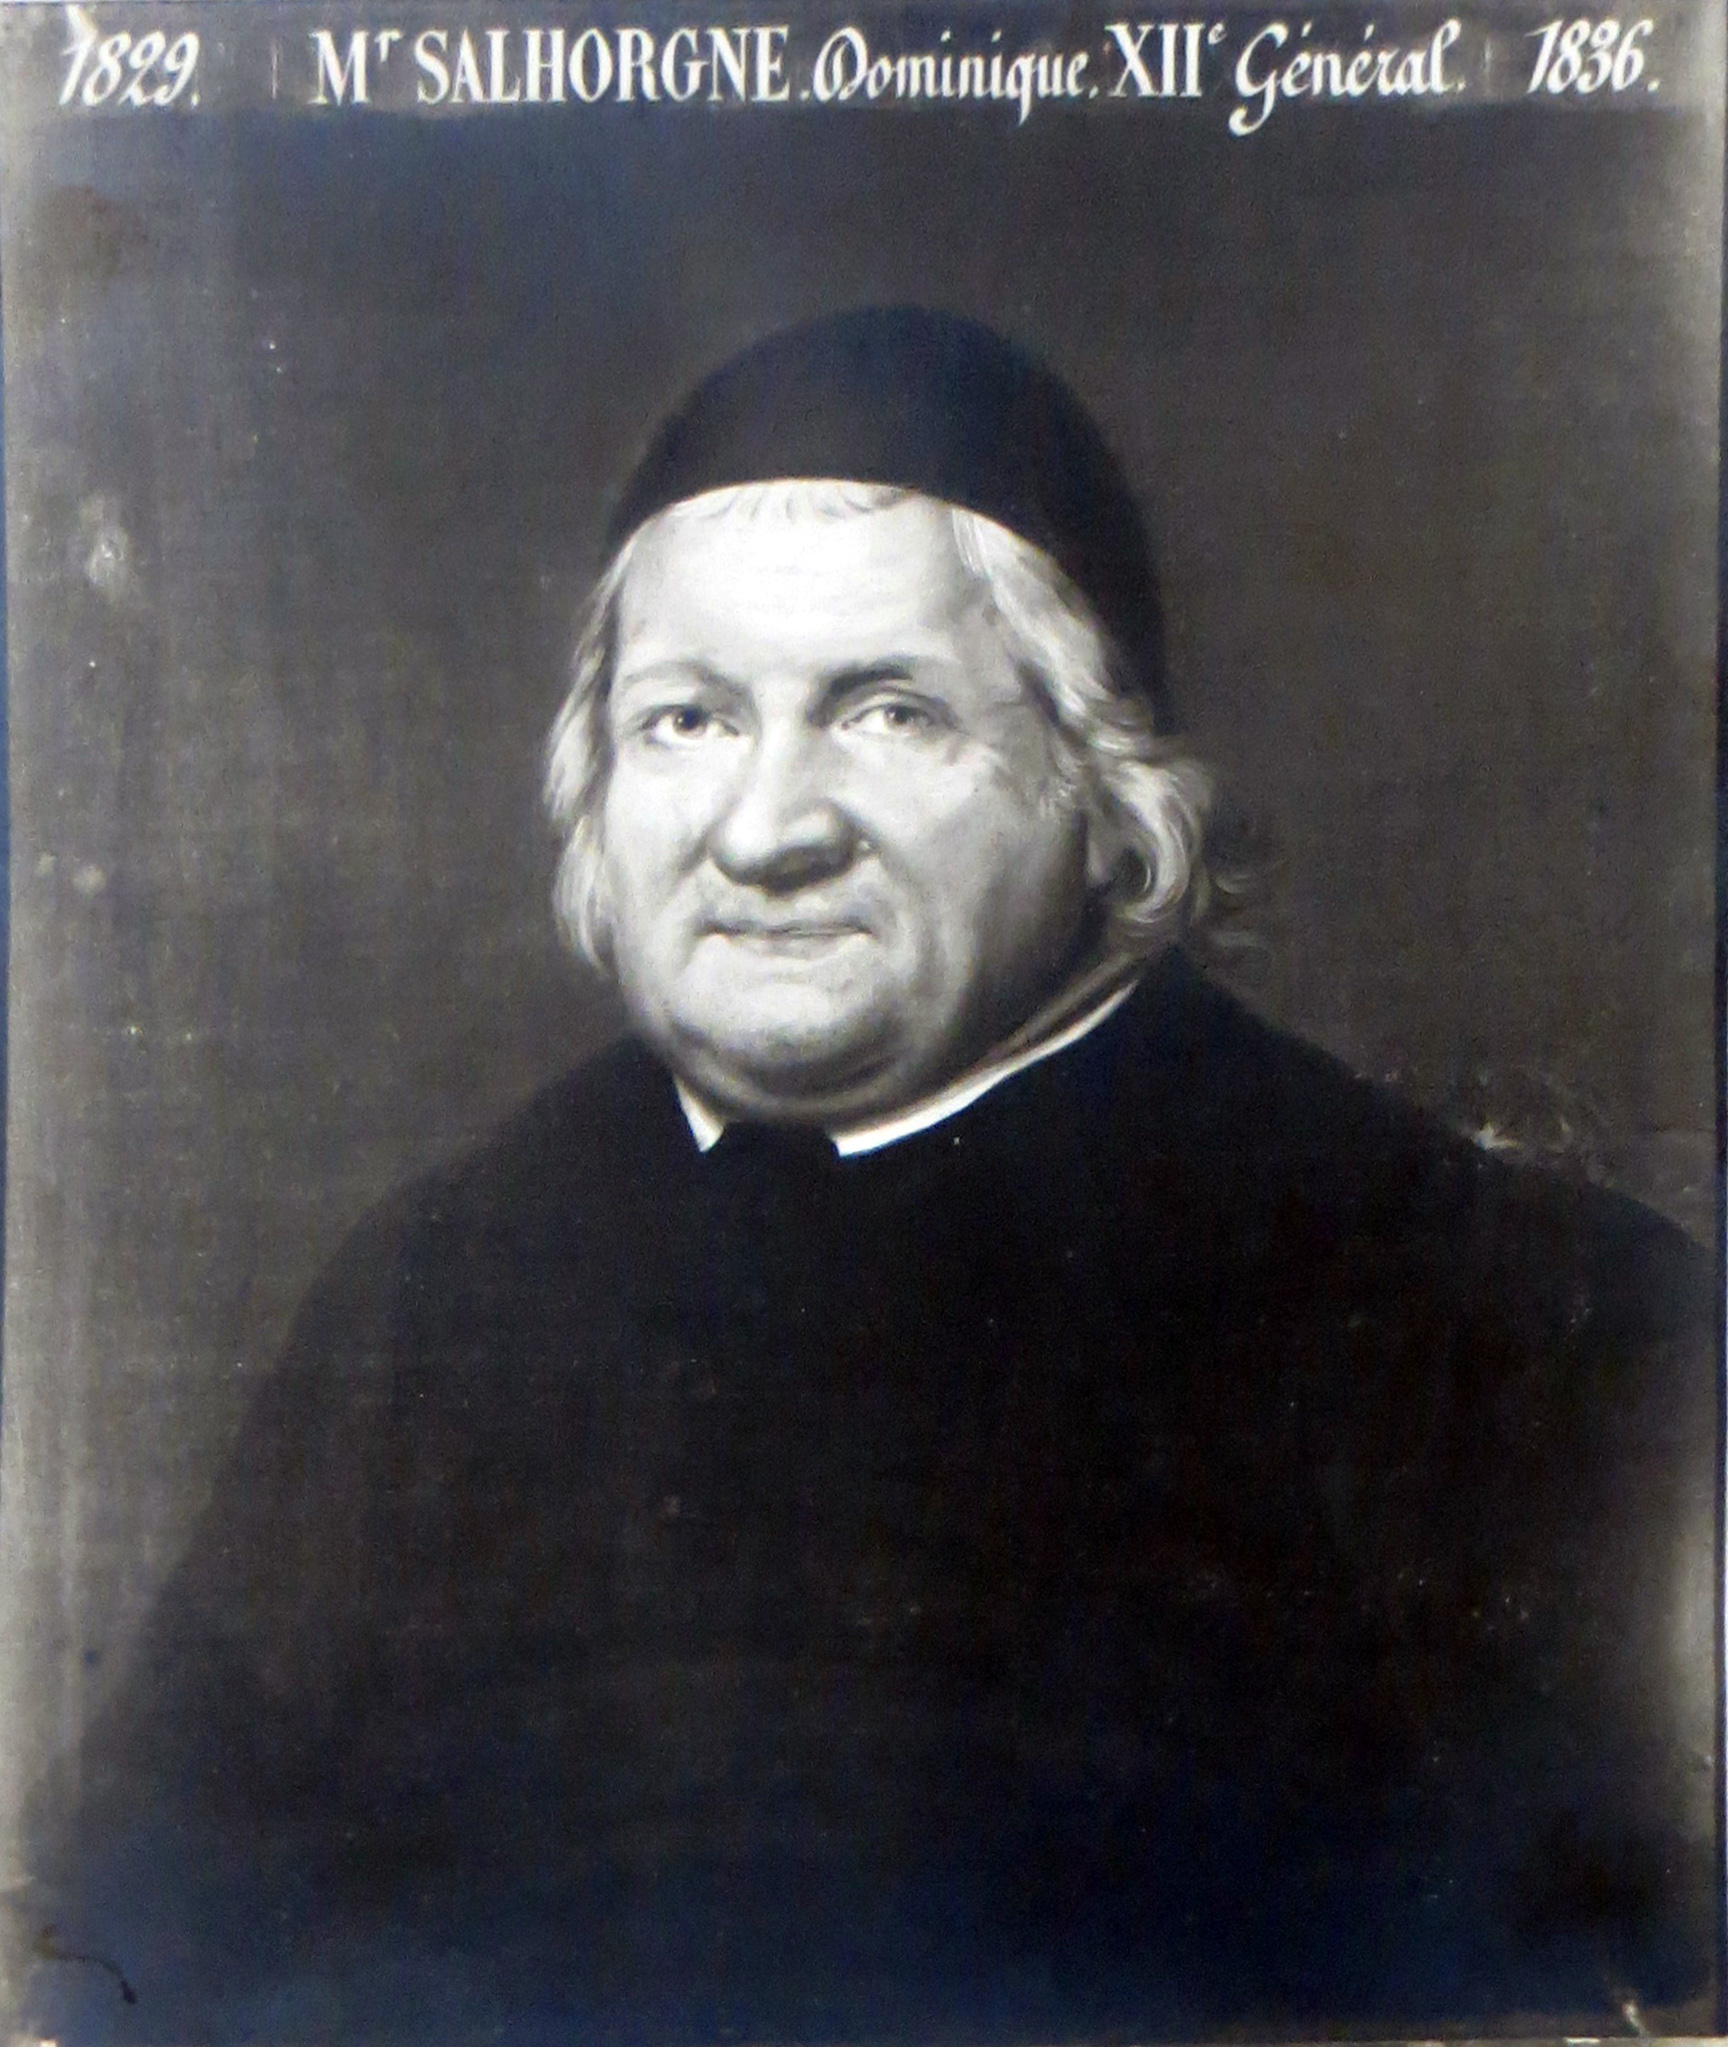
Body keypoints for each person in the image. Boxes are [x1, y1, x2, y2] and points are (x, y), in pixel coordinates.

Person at [29, 309, 1717, 2043]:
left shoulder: (1506, 1316)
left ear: (1105, 789)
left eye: (888, 713)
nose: (768, 830)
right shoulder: (436, 1294)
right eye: (688, 720)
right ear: (595, 784)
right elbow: (123, 1975)